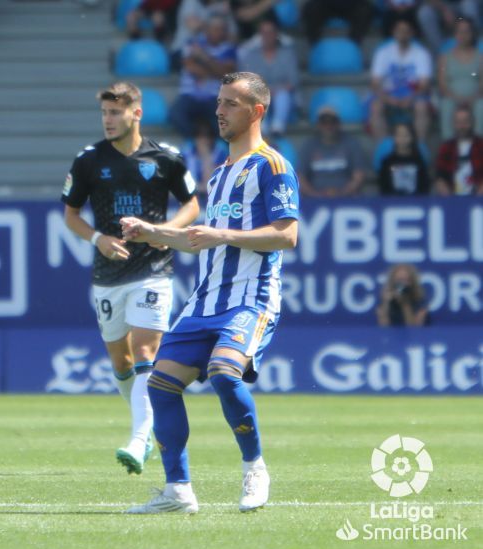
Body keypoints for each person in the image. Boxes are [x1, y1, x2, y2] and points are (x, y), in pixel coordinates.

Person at [120, 71, 299, 514]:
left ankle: (254, 467)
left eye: (231, 103)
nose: (219, 110)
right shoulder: (219, 174)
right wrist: (152, 232)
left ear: (256, 111)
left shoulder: (272, 165)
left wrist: (224, 235)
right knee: (160, 386)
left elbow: (287, 235)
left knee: (223, 372)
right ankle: (177, 491)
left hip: (249, 298)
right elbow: (198, 238)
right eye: (219, 102)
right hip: (203, 302)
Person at [62, 81, 200, 475]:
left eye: (115, 113)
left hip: (152, 271)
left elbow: (192, 205)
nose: (108, 120)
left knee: (144, 354)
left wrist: (165, 232)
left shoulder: (165, 158)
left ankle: (140, 440)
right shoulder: (89, 161)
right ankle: (147, 420)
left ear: (136, 113)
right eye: (104, 113)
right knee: (120, 361)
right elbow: (71, 215)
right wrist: (98, 238)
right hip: (108, 274)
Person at [169, 13, 237, 139]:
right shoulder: (192, 42)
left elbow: (226, 73)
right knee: (175, 115)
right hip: (189, 94)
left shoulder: (229, 49)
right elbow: (189, 66)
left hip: (214, 97)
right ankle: (196, 142)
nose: (220, 32)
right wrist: (214, 69)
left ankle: (216, 146)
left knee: (225, 119)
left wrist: (203, 57)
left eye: (222, 29)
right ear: (207, 29)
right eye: (216, 29)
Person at [369, 17, 433, 141]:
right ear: (394, 32)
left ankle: (420, 146)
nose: (402, 34)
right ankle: (384, 148)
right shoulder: (383, 52)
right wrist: (388, 99)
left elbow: (424, 84)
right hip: (389, 94)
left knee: (422, 107)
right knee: (376, 107)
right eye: (399, 30)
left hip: (414, 94)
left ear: (412, 33)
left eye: (406, 31)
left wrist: (410, 98)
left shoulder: (421, 53)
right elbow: (375, 83)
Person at [236, 17, 298, 137]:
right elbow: (247, 80)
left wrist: (277, 89)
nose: (267, 36)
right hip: (259, 92)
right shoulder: (251, 55)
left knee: (283, 95)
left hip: (282, 91)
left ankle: (278, 127)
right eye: (264, 32)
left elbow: (293, 80)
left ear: (276, 34)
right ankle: (261, 127)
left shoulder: (287, 53)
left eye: (270, 32)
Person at [297, 106, 367, 197]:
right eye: (324, 123)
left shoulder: (351, 143)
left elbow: (359, 175)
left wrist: (342, 194)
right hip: (314, 200)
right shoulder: (309, 146)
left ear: (338, 123)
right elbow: (300, 177)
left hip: (347, 198)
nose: (328, 126)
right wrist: (316, 195)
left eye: (332, 122)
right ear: (318, 125)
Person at [436, 18, 483, 140]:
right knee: (446, 105)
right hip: (452, 97)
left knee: (481, 106)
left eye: (467, 31)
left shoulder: (481, 58)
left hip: (475, 98)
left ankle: (479, 145)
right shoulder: (445, 58)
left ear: (472, 34)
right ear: (455, 34)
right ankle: (448, 145)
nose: (463, 35)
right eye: (460, 32)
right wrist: (456, 98)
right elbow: (442, 84)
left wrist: (472, 98)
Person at [434, 105, 483, 195]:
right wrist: (442, 186)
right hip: (452, 199)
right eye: (458, 122)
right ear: (453, 124)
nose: (462, 125)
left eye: (465, 121)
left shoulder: (481, 145)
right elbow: (440, 175)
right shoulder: (446, 147)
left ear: (472, 122)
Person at [379, 122, 431, 195]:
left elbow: (424, 186)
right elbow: (384, 187)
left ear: (412, 137)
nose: (402, 138)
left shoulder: (418, 161)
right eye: (399, 135)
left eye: (406, 135)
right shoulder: (387, 162)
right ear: (394, 138)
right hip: (392, 202)